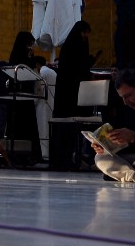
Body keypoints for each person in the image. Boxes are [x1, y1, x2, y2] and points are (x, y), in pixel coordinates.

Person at [48, 19, 95, 170]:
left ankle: (67, 158)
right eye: (84, 33)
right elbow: (77, 69)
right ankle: (65, 158)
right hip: (70, 96)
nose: (85, 36)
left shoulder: (72, 46)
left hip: (69, 95)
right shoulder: (74, 46)